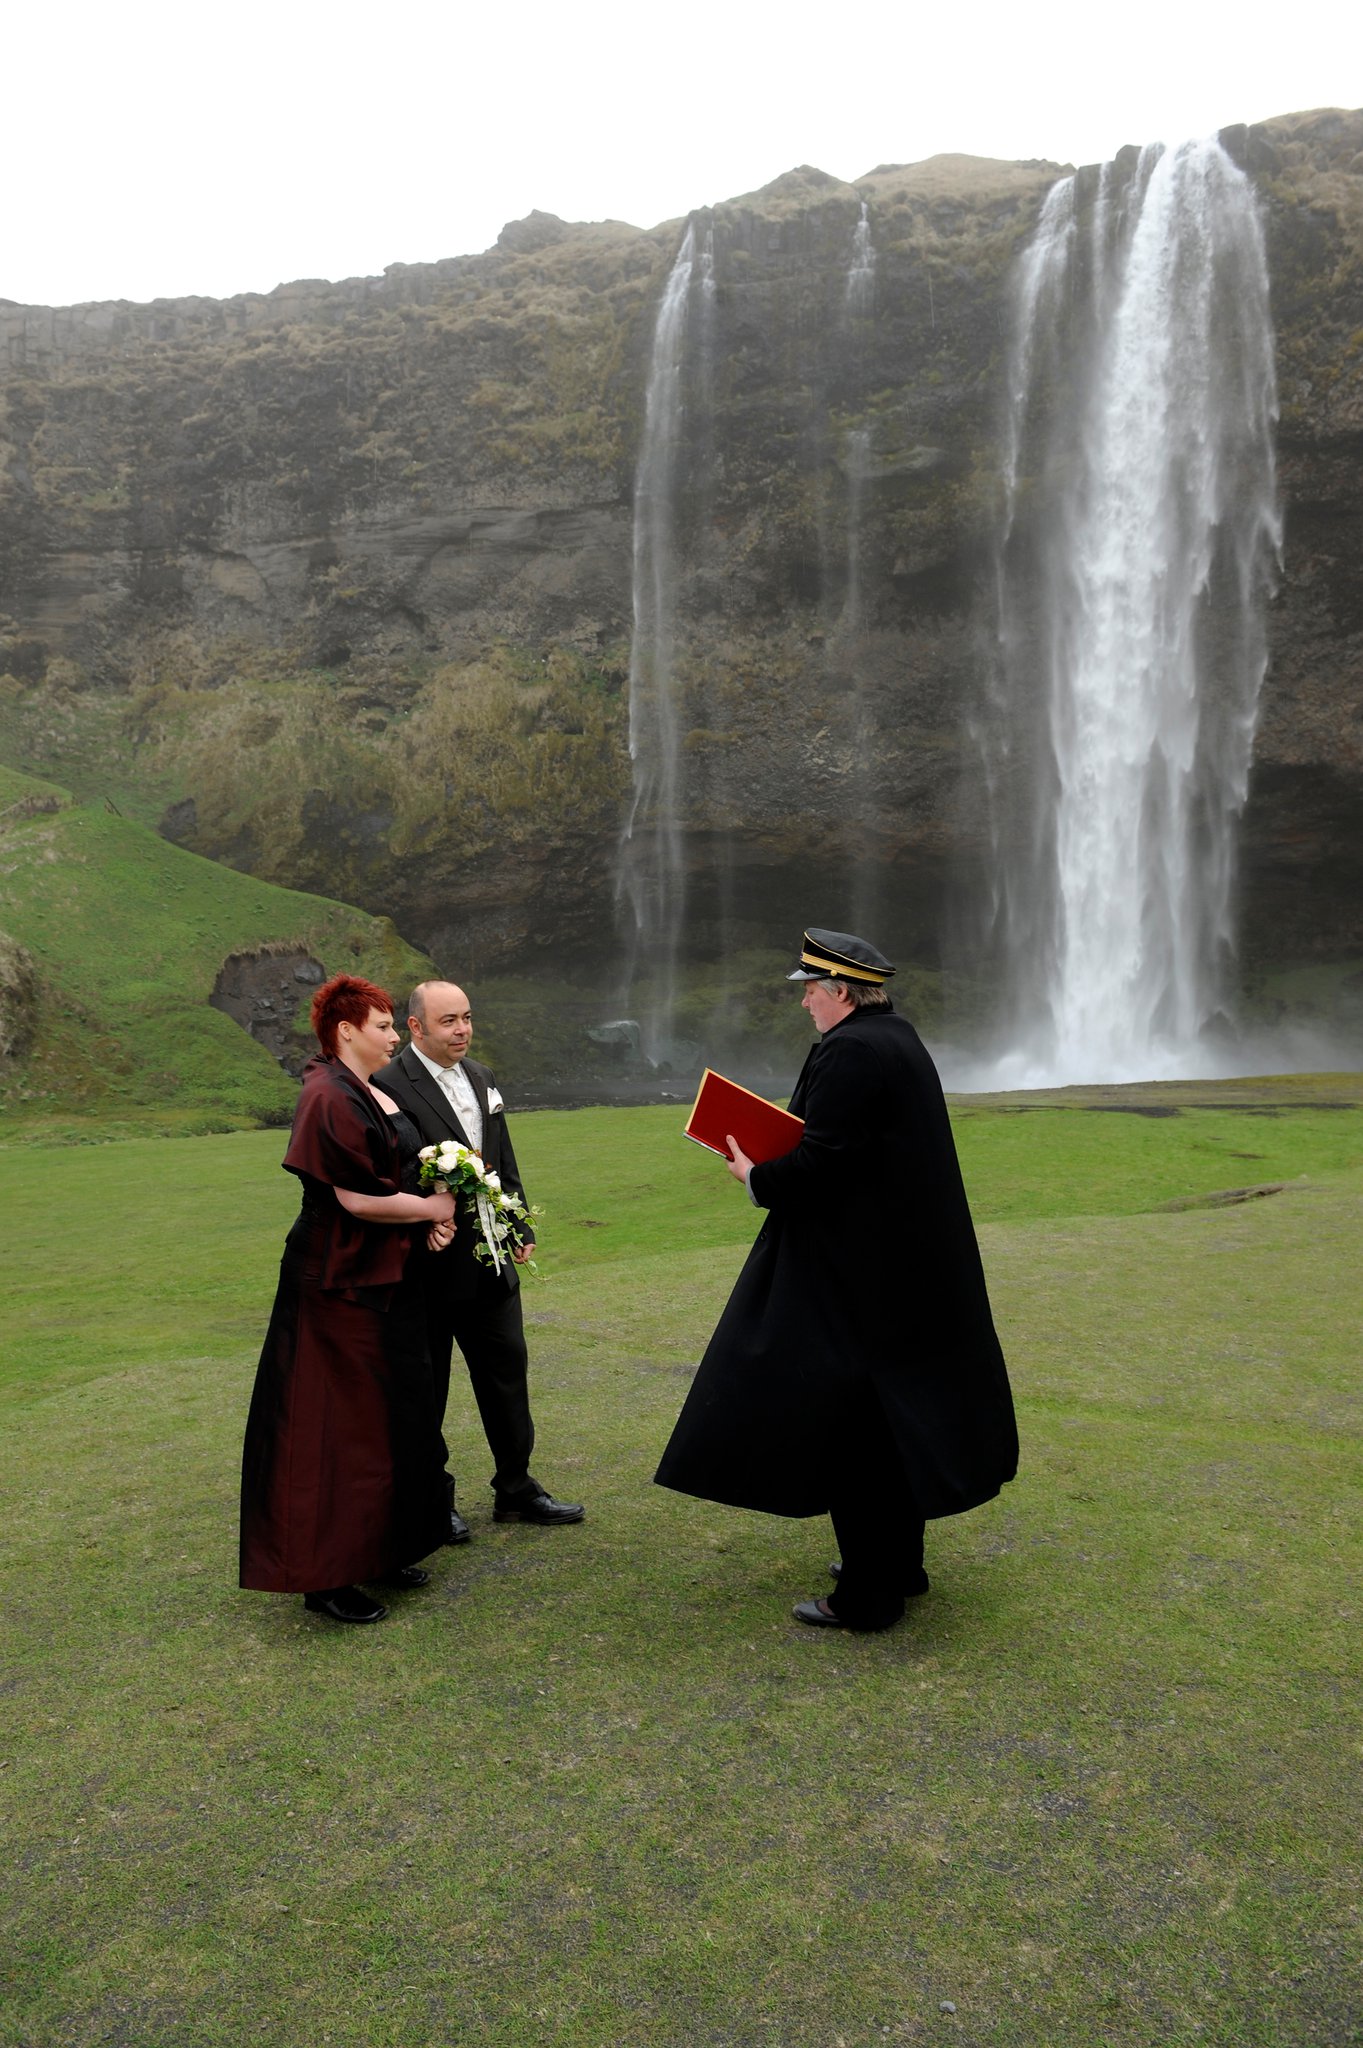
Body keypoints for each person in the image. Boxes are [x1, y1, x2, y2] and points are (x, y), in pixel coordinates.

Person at [655, 928, 1018, 1631]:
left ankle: (867, 1596)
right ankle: (896, 1566)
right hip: (904, 1270)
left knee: (858, 1429)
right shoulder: (897, 1038)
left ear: (841, 992)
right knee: (891, 1422)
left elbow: (823, 1163)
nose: (805, 1005)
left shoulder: (851, 1050)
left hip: (860, 1277)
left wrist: (754, 1174)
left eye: (811, 992)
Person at [239, 974, 457, 1624]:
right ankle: (326, 1576)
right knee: (334, 1425)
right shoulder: (326, 1095)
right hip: (335, 1283)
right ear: (346, 1030)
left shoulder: (364, 1091)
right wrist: (430, 1207)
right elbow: (355, 1198)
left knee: (390, 1416)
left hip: (380, 1278)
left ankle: (384, 1549)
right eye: (385, 1025)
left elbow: (392, 1178)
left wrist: (427, 1217)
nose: (395, 1034)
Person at [375, 980, 584, 1538]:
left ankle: (515, 1488)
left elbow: (501, 1158)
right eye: (448, 1021)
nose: (462, 1029)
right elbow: (388, 1174)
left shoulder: (483, 1076)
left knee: (507, 1376)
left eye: (466, 1017)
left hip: (491, 1262)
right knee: (428, 1387)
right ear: (415, 1028)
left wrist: (517, 1221)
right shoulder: (386, 1083)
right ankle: (433, 1497)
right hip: (427, 1266)